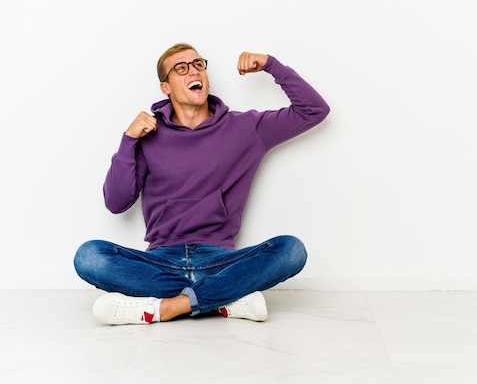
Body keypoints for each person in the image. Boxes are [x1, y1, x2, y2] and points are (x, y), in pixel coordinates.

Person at [73, 43, 330, 325]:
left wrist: (271, 64)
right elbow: (116, 203)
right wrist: (128, 140)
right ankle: (224, 299)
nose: (193, 71)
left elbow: (314, 110)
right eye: (180, 68)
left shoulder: (246, 128)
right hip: (160, 263)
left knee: (292, 250)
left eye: (198, 65)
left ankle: (168, 308)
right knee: (89, 256)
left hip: (219, 262)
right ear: (165, 87)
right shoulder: (148, 136)